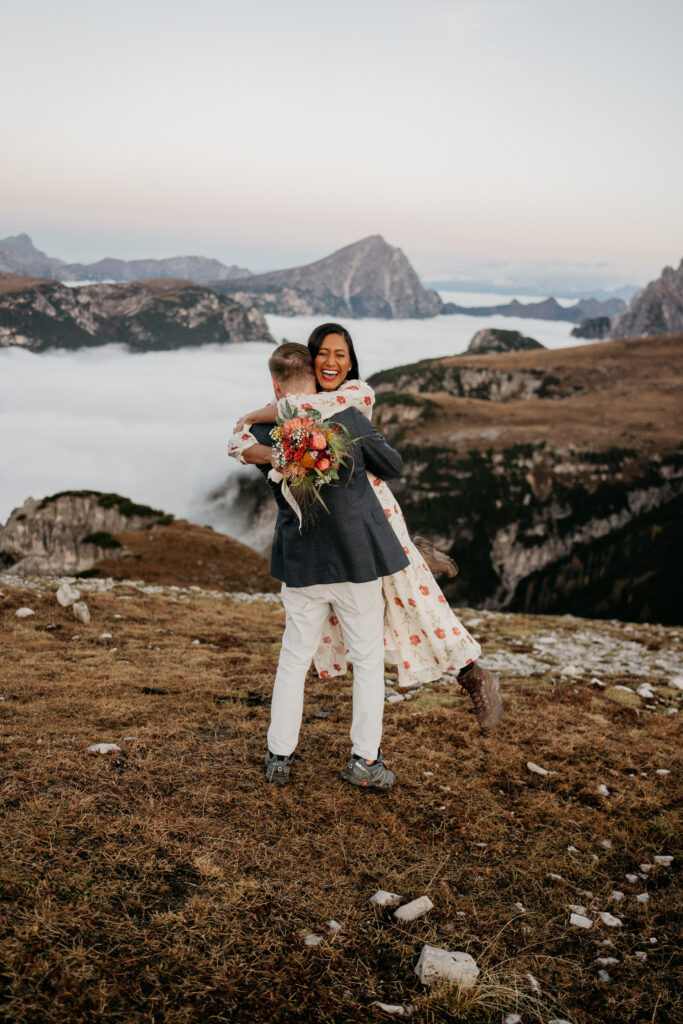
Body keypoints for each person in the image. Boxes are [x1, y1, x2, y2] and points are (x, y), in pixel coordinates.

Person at [229, 323, 502, 731]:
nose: (332, 362)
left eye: (341, 354)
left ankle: (471, 672)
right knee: (388, 605)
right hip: (336, 531)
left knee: (413, 600)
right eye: (323, 353)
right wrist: (268, 441)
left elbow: (303, 410)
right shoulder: (297, 403)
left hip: (374, 514)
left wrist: (255, 416)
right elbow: (259, 431)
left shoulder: (354, 396)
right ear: (310, 357)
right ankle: (417, 557)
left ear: (351, 360)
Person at [242, 342, 410, 790]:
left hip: (301, 563)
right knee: (368, 661)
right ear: (316, 381)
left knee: (294, 659)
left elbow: (239, 445)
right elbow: (392, 465)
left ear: (275, 386)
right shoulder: (349, 419)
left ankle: (279, 756)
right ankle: (364, 761)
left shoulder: (264, 431)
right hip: (356, 560)